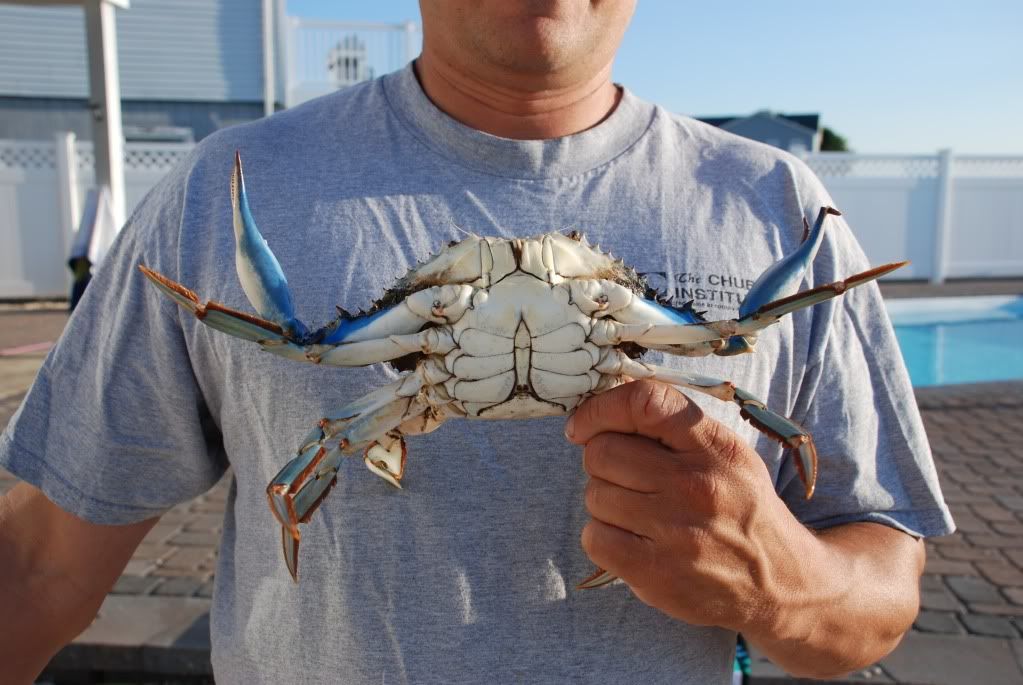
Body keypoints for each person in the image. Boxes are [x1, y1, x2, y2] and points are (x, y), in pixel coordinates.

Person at [0, 2, 952, 683]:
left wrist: (781, 583)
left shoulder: (781, 214)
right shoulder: (225, 191)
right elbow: (40, 568)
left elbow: (875, 593)